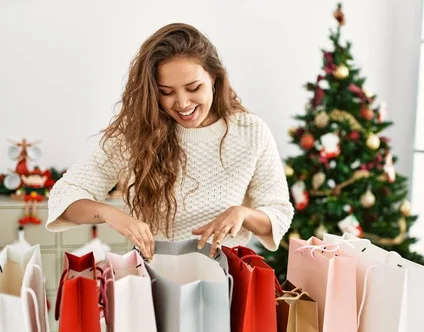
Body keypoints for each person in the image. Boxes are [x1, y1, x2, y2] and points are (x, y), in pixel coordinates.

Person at [46, 23, 294, 260]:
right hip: (156, 281)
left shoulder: (250, 131)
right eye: (166, 92)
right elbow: (64, 197)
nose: (183, 103)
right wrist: (111, 215)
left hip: (227, 281)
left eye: (193, 87)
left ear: (214, 79)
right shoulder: (137, 134)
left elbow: (278, 213)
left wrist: (242, 214)